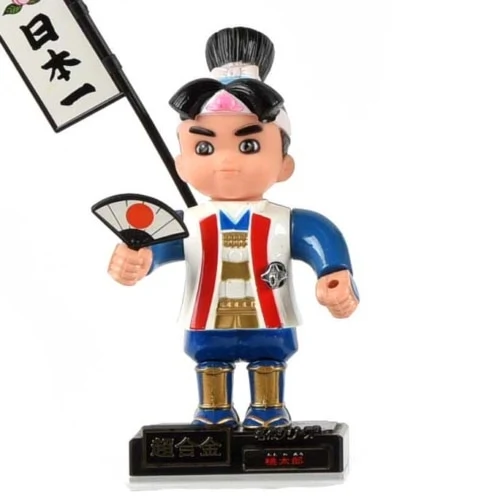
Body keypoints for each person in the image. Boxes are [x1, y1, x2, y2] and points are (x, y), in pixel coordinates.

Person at [108, 27, 359, 428]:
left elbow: (319, 238)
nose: (226, 161)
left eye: (248, 145)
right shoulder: (190, 223)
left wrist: (335, 274)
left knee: (269, 358)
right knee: (210, 359)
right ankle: (213, 412)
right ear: (181, 163)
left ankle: (268, 410)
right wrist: (140, 257)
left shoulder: (285, 222)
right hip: (209, 313)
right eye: (205, 147)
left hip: (268, 312)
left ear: (284, 164)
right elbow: (159, 246)